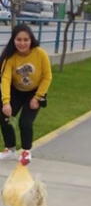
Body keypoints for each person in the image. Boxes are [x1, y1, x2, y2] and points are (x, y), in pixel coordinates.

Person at [0, 24, 52, 164]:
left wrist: (37, 97)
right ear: (13, 40)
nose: (22, 43)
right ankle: (10, 148)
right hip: (16, 91)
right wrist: (6, 102)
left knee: (25, 122)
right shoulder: (10, 57)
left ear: (31, 40)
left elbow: (47, 77)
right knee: (4, 116)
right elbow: (5, 79)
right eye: (19, 39)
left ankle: (26, 151)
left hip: (35, 92)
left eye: (25, 40)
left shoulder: (40, 53)